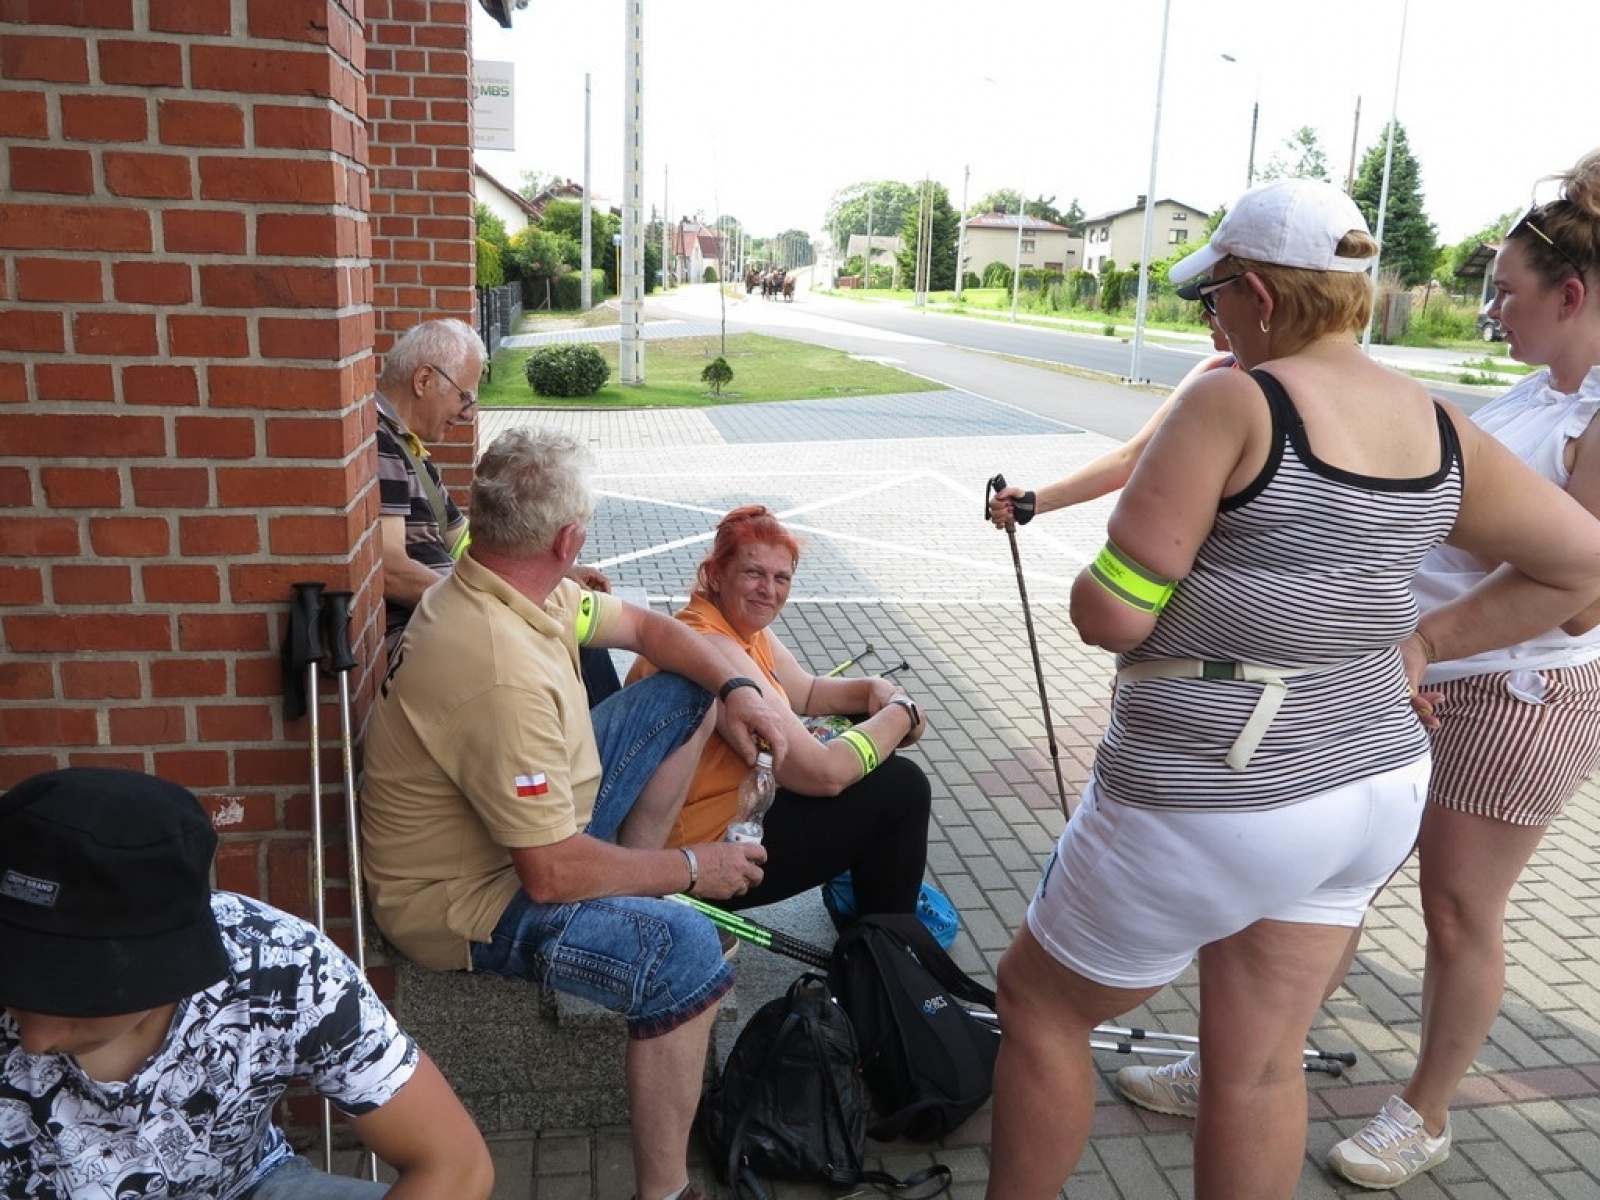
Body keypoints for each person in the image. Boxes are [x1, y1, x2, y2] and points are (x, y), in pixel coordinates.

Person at [979, 177, 1600, 1200]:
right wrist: (1420, 644)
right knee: (1260, 1063)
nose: (1209, 316)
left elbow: (1112, 617)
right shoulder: (1434, 421)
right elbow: (1580, 563)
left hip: (1219, 787)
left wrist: (1114, 572)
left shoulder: (1231, 399)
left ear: (1260, 296)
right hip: (1368, 788)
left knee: (1040, 1007)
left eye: (1212, 294)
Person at [359, 426, 789, 1200]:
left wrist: (740, 690)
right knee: (687, 948)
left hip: (534, 822)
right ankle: (664, 1192)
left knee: (685, 685)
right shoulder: (499, 672)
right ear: (569, 538)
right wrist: (695, 868)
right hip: (467, 899)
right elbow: (551, 874)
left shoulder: (513, 583)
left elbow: (654, 631)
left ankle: (632, 882)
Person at [1323, 148, 1600, 1188]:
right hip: (1422, 671)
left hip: (1519, 693)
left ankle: (1422, 1112)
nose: (1493, 308)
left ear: (1570, 294)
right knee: (1332, 872)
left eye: (1508, 292)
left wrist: (1430, 635)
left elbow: (1580, 597)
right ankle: (1248, 1054)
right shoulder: (1540, 389)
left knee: (1455, 909)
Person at [0, 766, 492, 1200]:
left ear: (174, 963)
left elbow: (453, 1164)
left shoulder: (281, 964)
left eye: (73, 995)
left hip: (247, 1186)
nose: (34, 1038)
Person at [628, 504, 932, 917]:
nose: (768, 590)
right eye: (753, 573)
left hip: (730, 815)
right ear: (715, 575)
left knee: (868, 733)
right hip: (699, 854)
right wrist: (903, 712)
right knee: (903, 787)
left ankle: (872, 909)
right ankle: (887, 958)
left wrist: (873, 690)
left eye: (781, 577)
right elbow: (822, 774)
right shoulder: (711, 646)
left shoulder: (733, 626)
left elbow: (805, 691)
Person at [373, 317, 622, 703]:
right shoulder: (381, 445)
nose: (469, 414)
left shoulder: (406, 446)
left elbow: (465, 541)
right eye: (465, 398)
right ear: (423, 380)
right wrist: (496, 603)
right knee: (565, 635)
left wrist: (558, 569)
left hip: (448, 618)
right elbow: (389, 571)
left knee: (573, 630)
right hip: (427, 636)